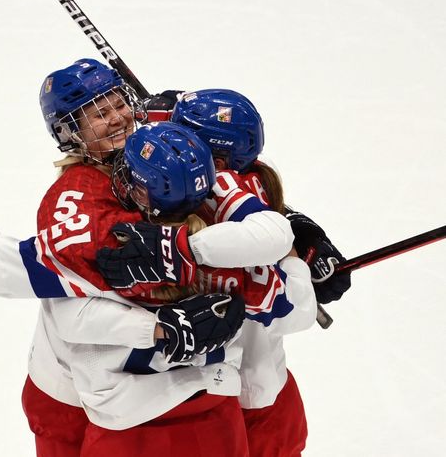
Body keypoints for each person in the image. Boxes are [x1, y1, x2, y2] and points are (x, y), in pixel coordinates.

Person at [0, 60, 296, 456]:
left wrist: (293, 226)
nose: (117, 119)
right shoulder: (81, 209)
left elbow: (236, 178)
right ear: (70, 133)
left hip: (193, 394)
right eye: (98, 114)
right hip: (80, 395)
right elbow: (10, 275)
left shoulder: (173, 149)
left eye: (118, 105)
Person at [97, 88, 350, 456]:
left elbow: (266, 228)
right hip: (203, 398)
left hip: (249, 396)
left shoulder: (225, 190)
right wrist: (293, 264)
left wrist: (296, 240)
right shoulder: (164, 179)